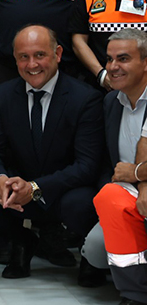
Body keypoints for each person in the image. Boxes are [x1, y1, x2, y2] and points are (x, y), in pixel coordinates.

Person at [0, 24, 103, 280]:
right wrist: (2, 181)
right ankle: (21, 242)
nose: (32, 64)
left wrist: (36, 187)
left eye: (40, 55)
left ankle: (90, 255)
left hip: (64, 192)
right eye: (23, 57)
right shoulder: (3, 95)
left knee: (82, 203)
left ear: (58, 54)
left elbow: (87, 165)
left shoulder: (85, 98)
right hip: (19, 192)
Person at [79, 30, 147, 291]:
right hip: (127, 193)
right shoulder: (110, 102)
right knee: (96, 250)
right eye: (109, 59)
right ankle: (133, 288)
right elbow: (108, 165)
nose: (112, 67)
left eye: (123, 59)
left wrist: (137, 174)